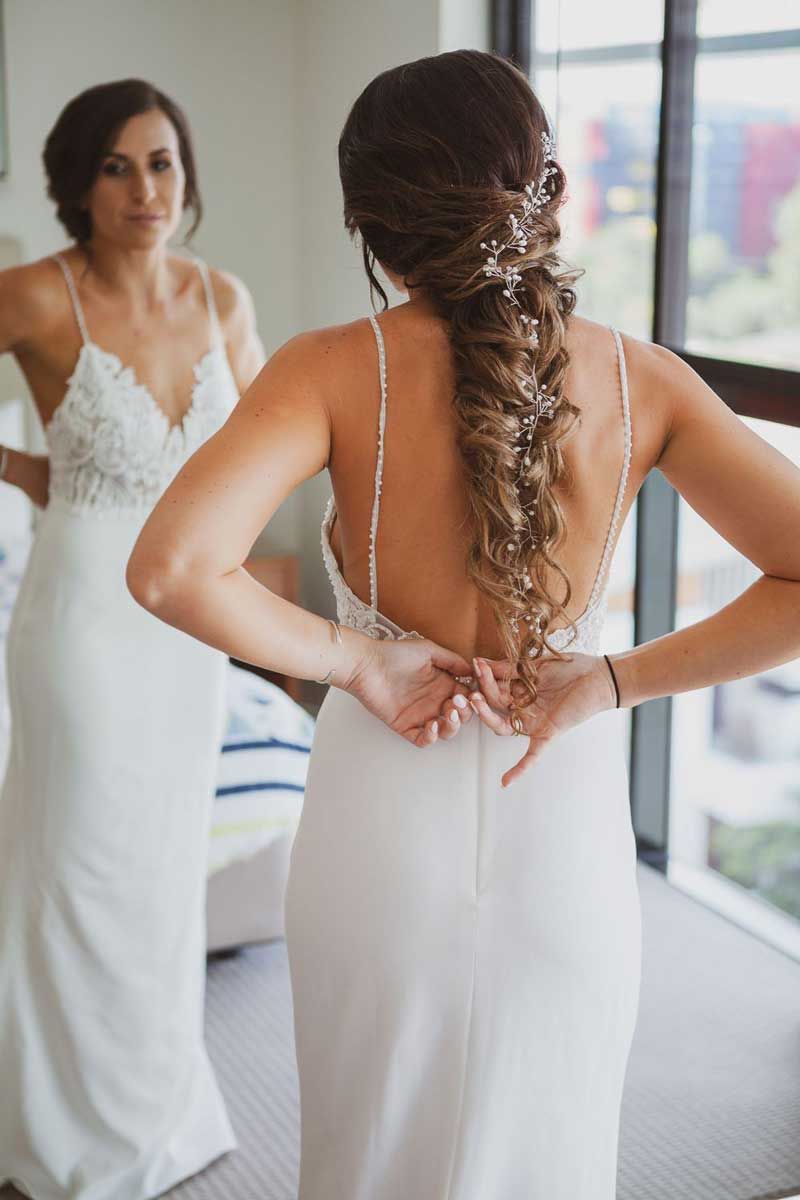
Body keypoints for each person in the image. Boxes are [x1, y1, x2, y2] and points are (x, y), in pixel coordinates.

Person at [126, 49, 800, 1200]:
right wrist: (612, 683)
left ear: (370, 225)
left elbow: (174, 568)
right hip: (562, 821)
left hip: (376, 818)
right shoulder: (647, 383)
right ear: (543, 194)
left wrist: (358, 662)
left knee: (373, 1139)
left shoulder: (331, 370)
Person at [0, 79, 264, 1198]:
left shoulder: (222, 298)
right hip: (82, 621)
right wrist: (29, 473)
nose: (146, 188)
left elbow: (260, 458)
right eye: (117, 166)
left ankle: (154, 1110)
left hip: (186, 632)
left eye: (161, 162)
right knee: (75, 867)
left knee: (159, 873)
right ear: (76, 182)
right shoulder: (31, 295)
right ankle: (50, 1132)